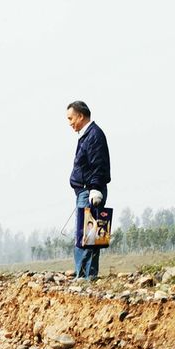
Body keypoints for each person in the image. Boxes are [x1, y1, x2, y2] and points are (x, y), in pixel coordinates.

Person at [67, 101, 111, 280]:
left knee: (88, 237)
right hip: (84, 192)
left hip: (90, 191)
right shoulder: (86, 136)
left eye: (71, 118)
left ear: (80, 116)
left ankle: (85, 277)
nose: (69, 123)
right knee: (86, 235)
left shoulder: (94, 135)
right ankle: (86, 275)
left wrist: (95, 188)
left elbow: (98, 164)